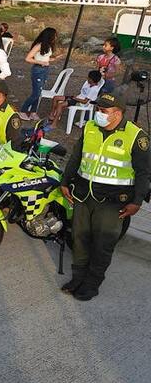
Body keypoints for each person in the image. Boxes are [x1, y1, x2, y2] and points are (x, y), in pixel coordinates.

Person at [60, 93, 150, 301]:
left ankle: (92, 283)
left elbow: (144, 173)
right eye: (98, 110)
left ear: (117, 113)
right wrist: (65, 181)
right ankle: (78, 277)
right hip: (84, 193)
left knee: (102, 244)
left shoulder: (136, 136)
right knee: (79, 238)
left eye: (104, 111)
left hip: (113, 200)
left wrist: (137, 201)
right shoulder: (90, 127)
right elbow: (76, 156)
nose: (98, 114)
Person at [18, 28, 62, 121]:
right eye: (54, 35)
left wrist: (52, 59)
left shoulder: (48, 46)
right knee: (36, 93)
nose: (55, 37)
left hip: (45, 69)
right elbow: (28, 58)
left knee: (39, 91)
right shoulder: (39, 45)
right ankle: (23, 110)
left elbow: (44, 57)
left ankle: (33, 111)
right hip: (38, 69)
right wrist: (40, 62)